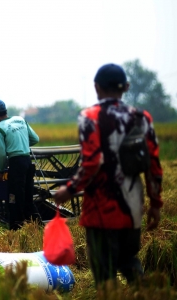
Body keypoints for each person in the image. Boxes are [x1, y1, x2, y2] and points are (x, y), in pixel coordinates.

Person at [53, 63, 163, 287]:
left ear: (96, 87)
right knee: (130, 261)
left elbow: (92, 162)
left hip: (101, 210)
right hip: (132, 208)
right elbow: (154, 164)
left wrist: (70, 189)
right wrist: (155, 204)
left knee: (104, 274)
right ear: (127, 87)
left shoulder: (90, 117)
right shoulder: (142, 118)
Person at [0, 99, 40, 230]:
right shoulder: (20, 119)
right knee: (28, 195)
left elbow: (1, 153)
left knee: (14, 197)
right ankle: (36, 227)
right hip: (28, 162)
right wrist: (21, 144)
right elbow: (35, 139)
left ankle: (16, 227)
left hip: (16, 164)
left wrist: (1, 170)